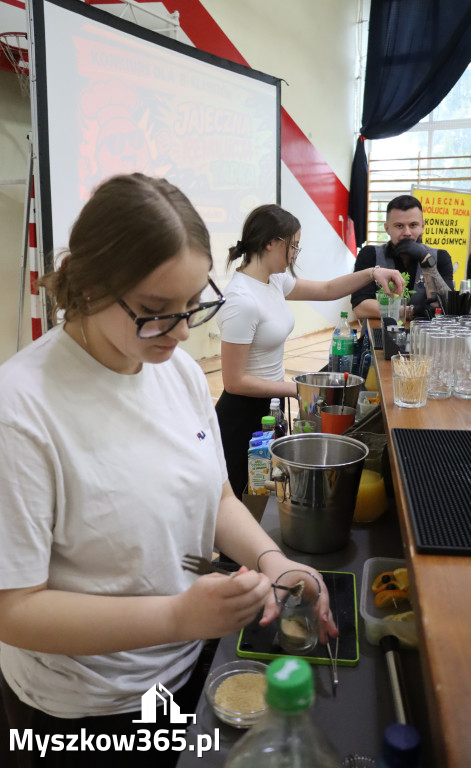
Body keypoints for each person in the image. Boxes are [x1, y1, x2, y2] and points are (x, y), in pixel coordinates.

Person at [0, 174, 337, 767]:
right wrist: (178, 615)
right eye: (156, 312)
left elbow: (218, 498)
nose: (182, 333)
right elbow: (15, 609)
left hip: (182, 672)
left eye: (192, 306)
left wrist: (273, 561)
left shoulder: (173, 369)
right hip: (87, 712)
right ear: (91, 285)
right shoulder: (22, 408)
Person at [215, 203, 404, 499]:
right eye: (293, 247)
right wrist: (299, 389)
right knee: (243, 497)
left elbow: (327, 289)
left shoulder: (273, 280)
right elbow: (234, 381)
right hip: (240, 415)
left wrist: (373, 273)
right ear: (270, 243)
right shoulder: (242, 300)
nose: (294, 255)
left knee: (264, 494)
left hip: (268, 405)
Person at [351, 195, 454, 321]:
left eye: (413, 225)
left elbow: (444, 307)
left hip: (426, 336)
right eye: (399, 226)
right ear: (387, 228)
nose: (407, 232)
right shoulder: (370, 254)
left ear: (422, 226)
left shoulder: (440, 257)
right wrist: (410, 312)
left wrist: (426, 262)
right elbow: (360, 308)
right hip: (379, 334)